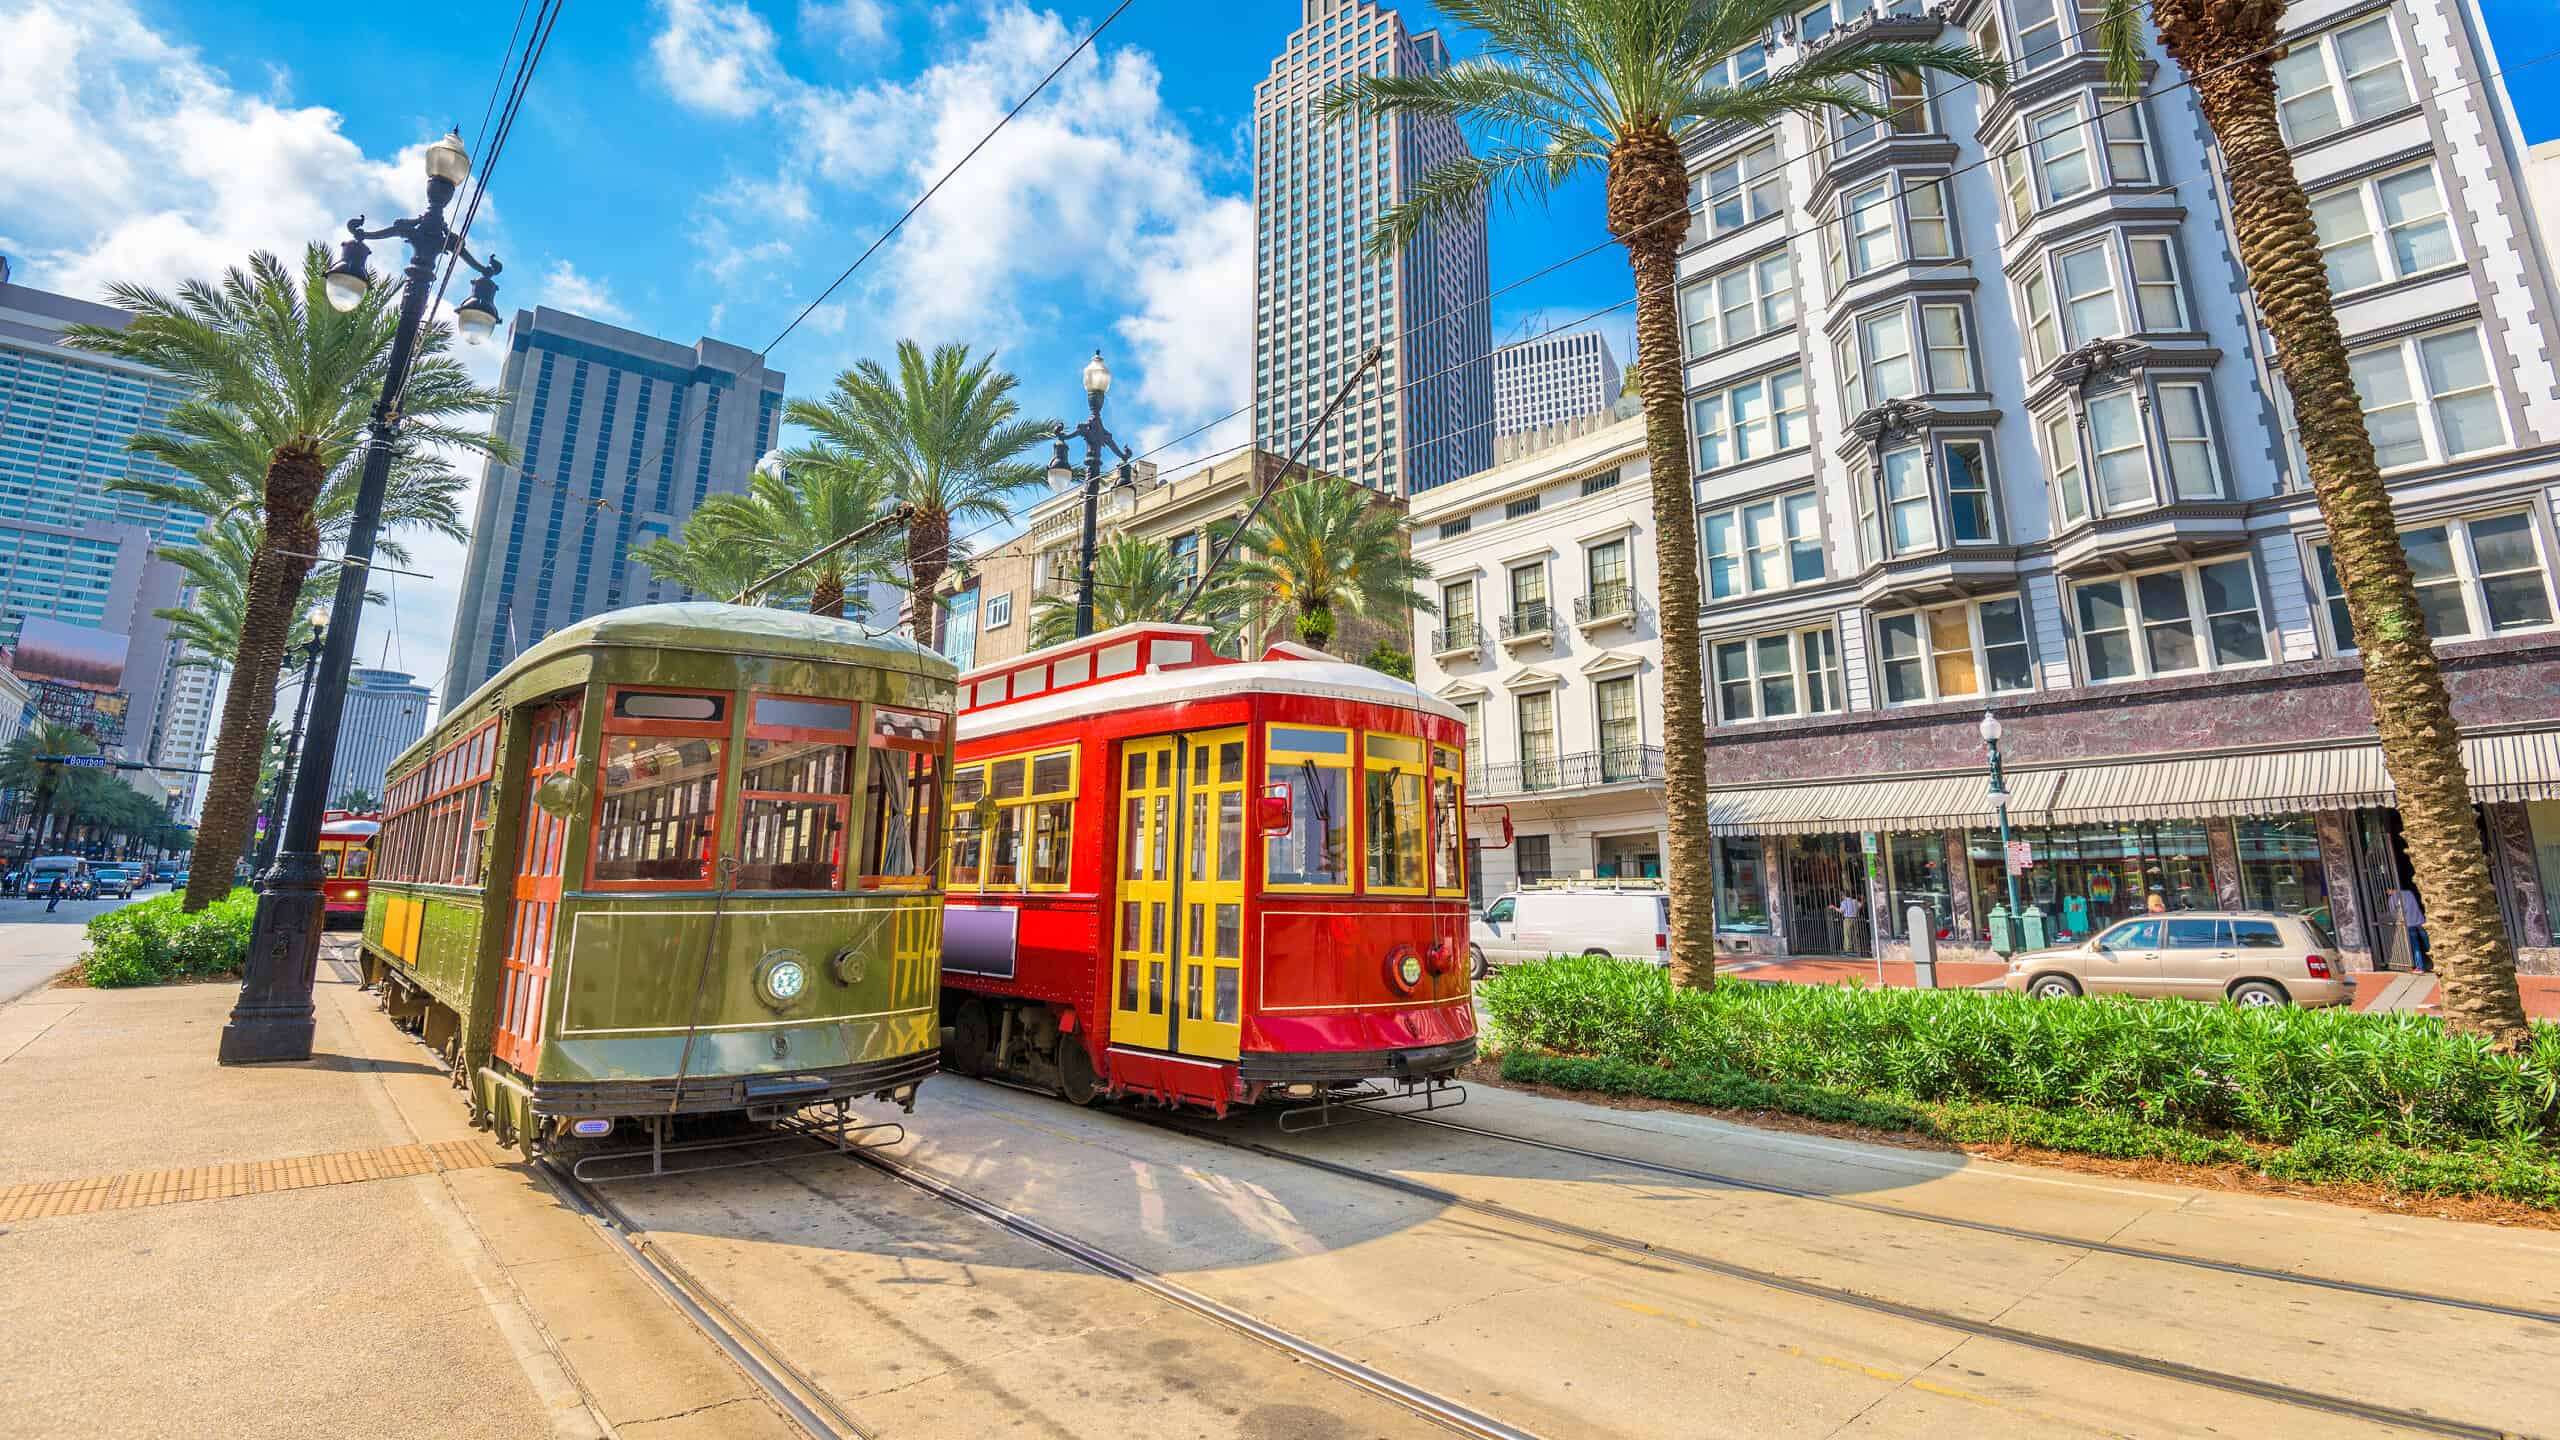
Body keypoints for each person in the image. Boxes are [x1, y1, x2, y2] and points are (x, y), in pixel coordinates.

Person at [2389, 884, 2431, 972]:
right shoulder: (2409, 892)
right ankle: (2436, 962)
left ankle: (2420, 967)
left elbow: (2393, 913)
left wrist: (2398, 920)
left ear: (2389, 889)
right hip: (2420, 920)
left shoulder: (2393, 898)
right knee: (2428, 943)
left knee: (2416, 946)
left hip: (2409, 923)